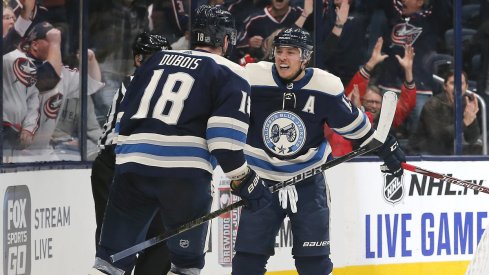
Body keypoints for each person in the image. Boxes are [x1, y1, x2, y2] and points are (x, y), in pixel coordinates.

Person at [90, 5, 271, 275]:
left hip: (130, 168)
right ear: (225, 40)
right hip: (184, 178)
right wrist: (247, 181)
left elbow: (121, 120)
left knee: (110, 261)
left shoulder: (154, 61)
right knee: (185, 265)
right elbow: (224, 144)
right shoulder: (231, 72)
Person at [233, 27, 406, 275]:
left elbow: (353, 125)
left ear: (305, 57)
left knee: (314, 263)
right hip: (261, 183)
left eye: (291, 52)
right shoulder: (251, 77)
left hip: (307, 182)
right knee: (247, 262)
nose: (283, 57)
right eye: (279, 51)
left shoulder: (325, 85)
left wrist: (383, 145)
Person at [91, 32, 172, 275]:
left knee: (161, 238)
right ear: (139, 59)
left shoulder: (165, 87)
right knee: (117, 242)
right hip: (115, 166)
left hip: (148, 167)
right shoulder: (135, 84)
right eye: (157, 58)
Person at [408, 70, 481, 155]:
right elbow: (438, 136)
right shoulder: (433, 104)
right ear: (445, 86)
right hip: (421, 152)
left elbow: (472, 139)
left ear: (466, 87)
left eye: (461, 83)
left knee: (478, 150)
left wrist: (472, 118)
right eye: (453, 83)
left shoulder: (465, 104)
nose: (457, 87)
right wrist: (464, 122)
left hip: (445, 151)